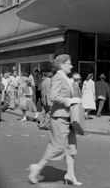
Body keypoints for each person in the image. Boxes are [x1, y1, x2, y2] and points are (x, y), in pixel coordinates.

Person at [27, 54, 82, 185]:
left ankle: (70, 174)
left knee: (71, 147)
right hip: (59, 117)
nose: (72, 65)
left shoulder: (65, 78)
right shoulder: (58, 77)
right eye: (69, 63)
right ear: (62, 64)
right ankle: (37, 168)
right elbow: (53, 96)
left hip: (69, 118)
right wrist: (70, 100)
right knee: (56, 147)